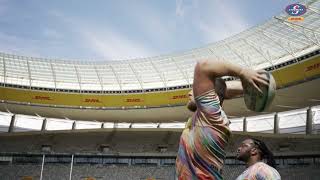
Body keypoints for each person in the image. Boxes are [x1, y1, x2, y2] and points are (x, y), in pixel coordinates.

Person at [175, 59, 268, 180]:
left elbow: (202, 66)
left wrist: (242, 72)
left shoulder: (210, 116)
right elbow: (222, 90)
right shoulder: (206, 118)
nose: (189, 93)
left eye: (194, 89)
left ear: (211, 97)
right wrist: (247, 86)